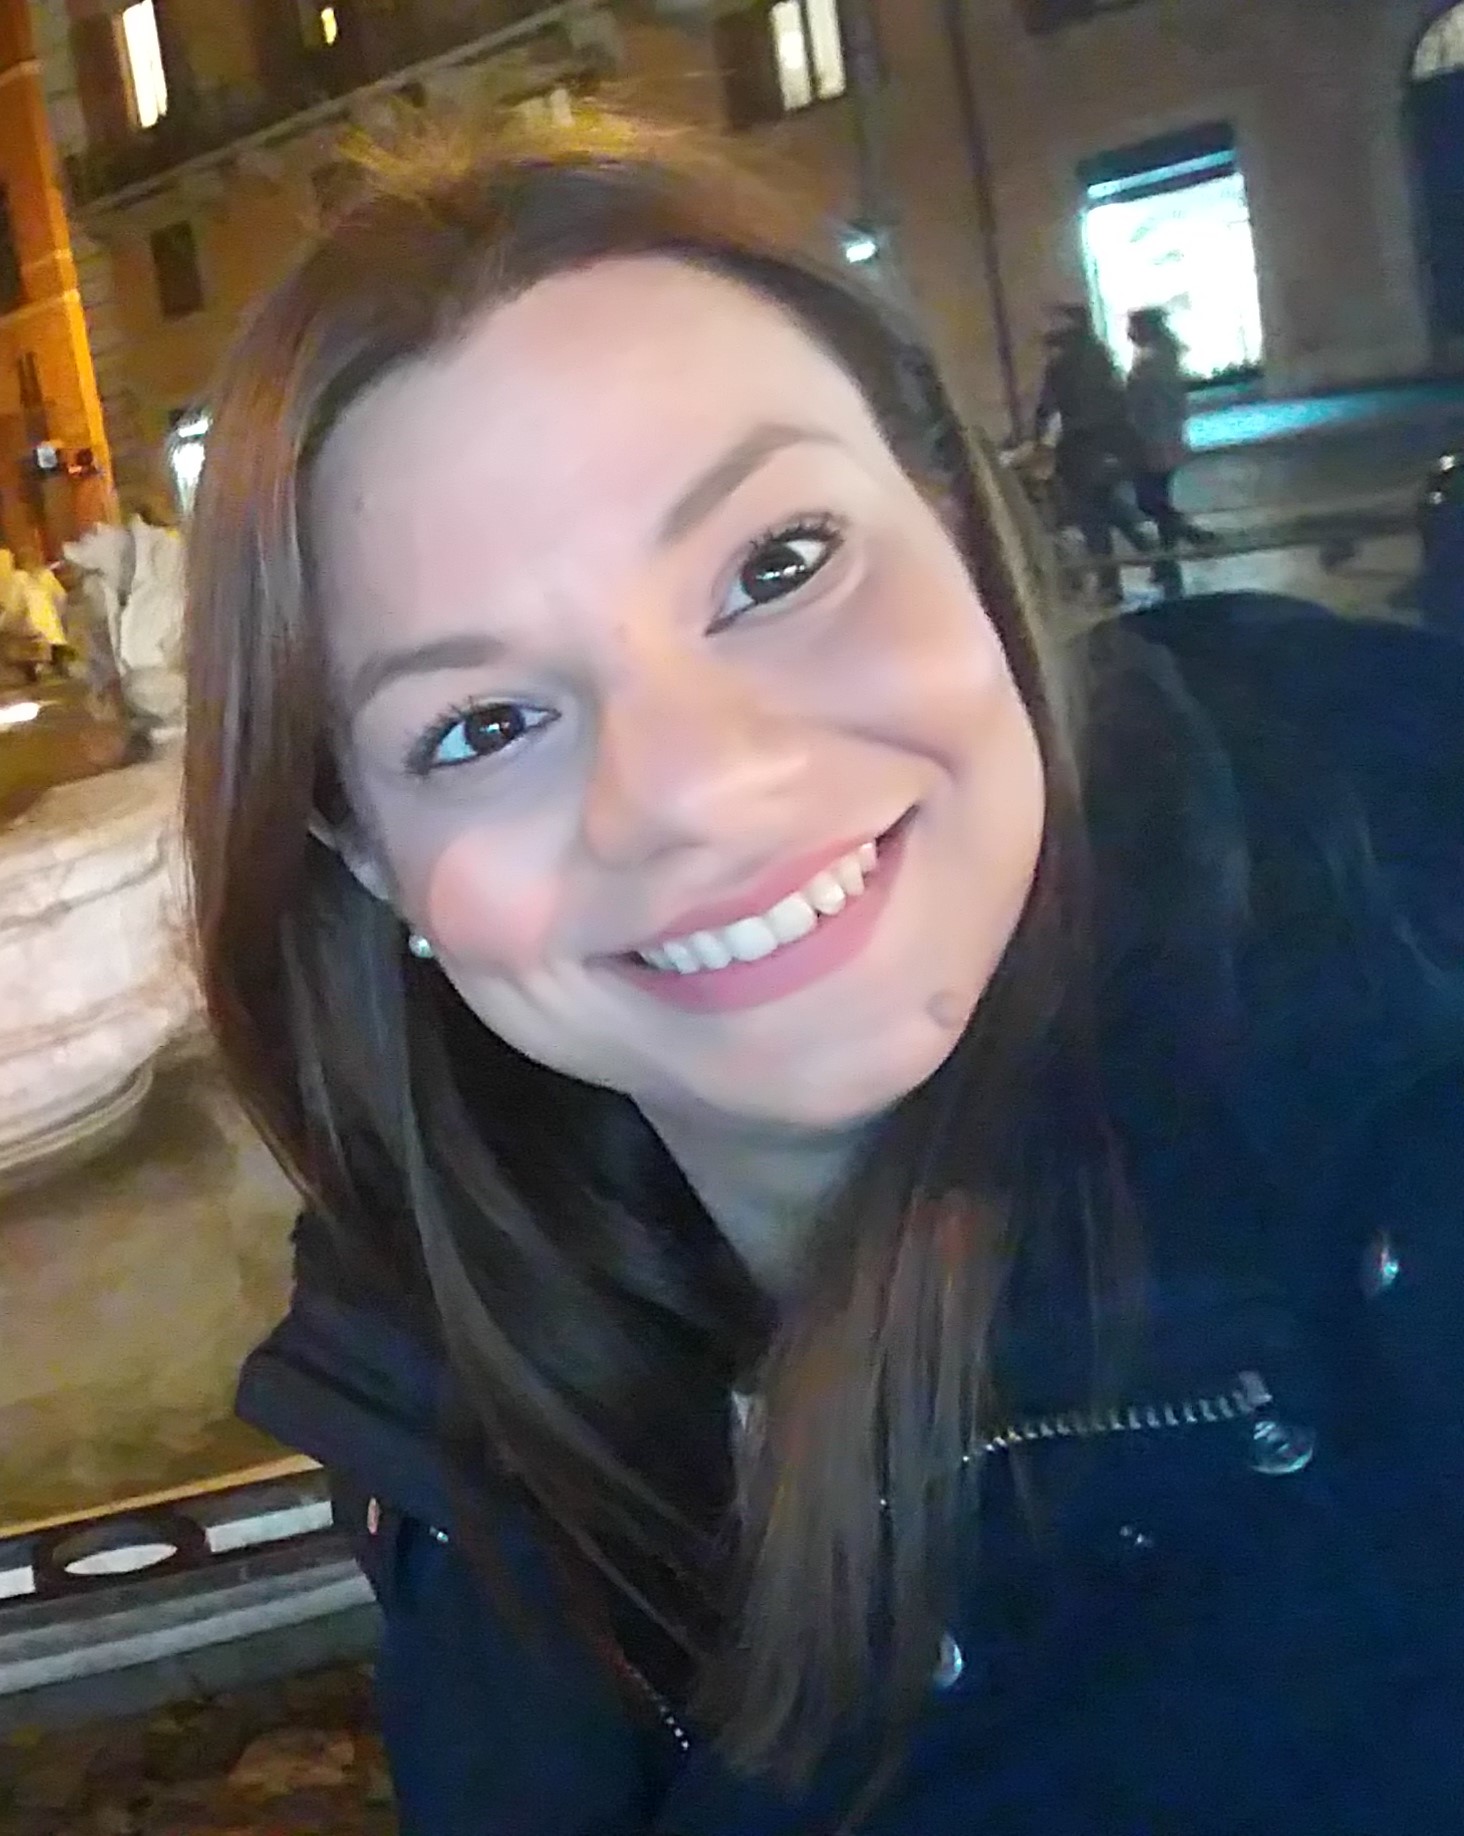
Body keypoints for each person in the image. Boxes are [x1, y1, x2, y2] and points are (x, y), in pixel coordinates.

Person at [184, 116, 1464, 1835]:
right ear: (366, 856)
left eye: (776, 566)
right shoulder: (440, 1366)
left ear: (957, 526)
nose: (698, 786)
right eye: (480, 724)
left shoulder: (1398, 1159)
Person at [1033, 304, 1149, 606]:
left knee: (1092, 517)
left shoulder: (1061, 367)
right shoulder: (1100, 356)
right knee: (1105, 503)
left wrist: (1040, 441)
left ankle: (1112, 584)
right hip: (1110, 447)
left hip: (1081, 451)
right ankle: (1145, 545)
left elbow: (1048, 409)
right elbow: (1117, 401)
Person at [1125, 306, 1215, 597]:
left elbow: (1144, 406)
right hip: (1166, 439)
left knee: (1149, 502)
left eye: (1132, 327)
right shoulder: (1162, 356)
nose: (1129, 334)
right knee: (1158, 501)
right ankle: (1168, 564)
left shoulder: (1150, 363)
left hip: (1153, 442)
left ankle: (1188, 538)